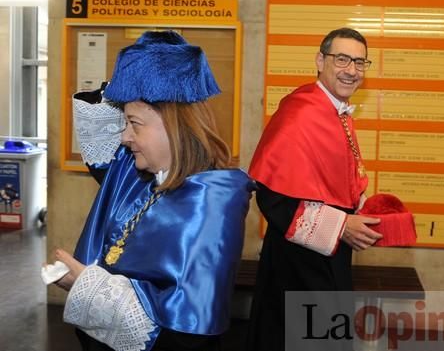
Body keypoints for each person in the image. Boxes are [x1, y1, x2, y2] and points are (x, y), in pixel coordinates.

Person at [49, 30, 253, 351]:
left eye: (134, 123)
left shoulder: (212, 199)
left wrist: (89, 288)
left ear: (174, 125)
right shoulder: (142, 175)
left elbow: (186, 331)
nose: (124, 137)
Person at [246, 27, 383, 351]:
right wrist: (342, 226)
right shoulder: (301, 112)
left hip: (326, 260)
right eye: (342, 59)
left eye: (360, 62)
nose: (352, 70)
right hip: (297, 267)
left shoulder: (336, 111)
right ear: (321, 60)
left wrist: (362, 213)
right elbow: (272, 196)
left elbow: (333, 183)